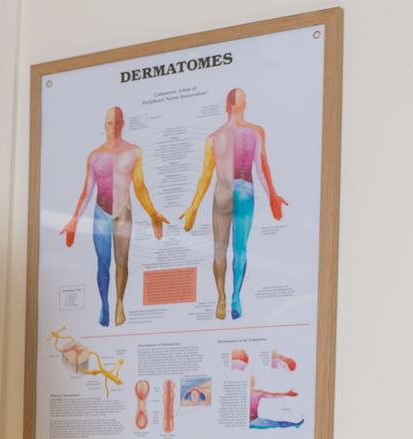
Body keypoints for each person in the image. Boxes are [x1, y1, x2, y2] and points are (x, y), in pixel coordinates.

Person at [181, 87, 288, 321]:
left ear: (226, 106)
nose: (246, 101)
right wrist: (272, 194)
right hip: (244, 189)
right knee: (240, 249)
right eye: (245, 98)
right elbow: (261, 167)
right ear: (241, 105)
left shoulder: (214, 138)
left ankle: (221, 297)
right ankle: (235, 298)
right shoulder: (256, 132)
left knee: (219, 249)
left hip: (222, 189)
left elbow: (205, 177)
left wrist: (194, 207)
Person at [58, 105, 168, 327]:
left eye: (118, 123)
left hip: (123, 212)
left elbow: (140, 187)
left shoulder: (133, 152)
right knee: (102, 262)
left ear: (123, 124)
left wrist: (153, 213)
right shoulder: (95, 155)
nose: (114, 127)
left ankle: (119, 303)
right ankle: (104, 305)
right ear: (104, 125)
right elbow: (87, 191)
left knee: (122, 261)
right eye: (110, 123)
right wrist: (74, 220)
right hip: (101, 213)